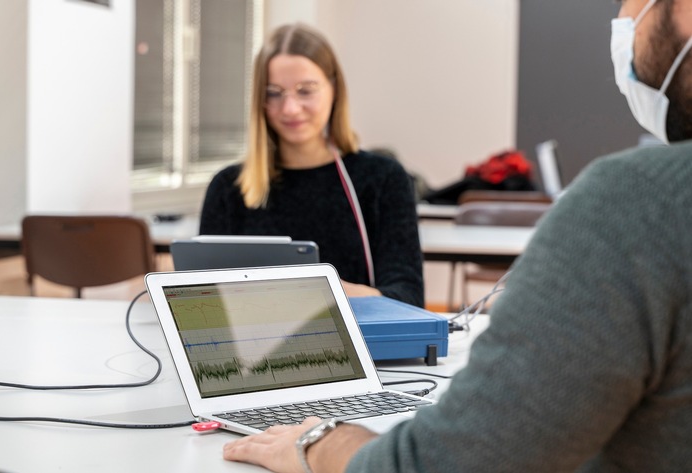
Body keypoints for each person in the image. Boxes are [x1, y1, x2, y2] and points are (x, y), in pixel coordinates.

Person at [223, 1, 692, 471]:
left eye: (631, 4)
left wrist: (320, 441)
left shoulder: (637, 203)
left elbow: (451, 461)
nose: (621, 25)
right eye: (274, 93)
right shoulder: (229, 185)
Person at [199, 23, 424, 308]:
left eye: (306, 91)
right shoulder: (228, 188)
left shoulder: (383, 179)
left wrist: (329, 291)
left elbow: (409, 297)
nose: (290, 108)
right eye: (273, 93)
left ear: (334, 90)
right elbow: (205, 299)